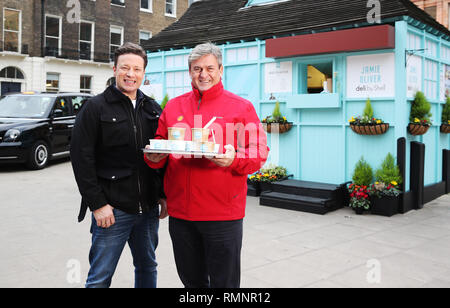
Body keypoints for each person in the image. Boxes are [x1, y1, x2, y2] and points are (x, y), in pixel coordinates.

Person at [144, 42, 269, 288]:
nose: (203, 74)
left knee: (224, 284)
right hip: (182, 214)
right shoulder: (174, 106)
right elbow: (159, 143)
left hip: (222, 215)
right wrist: (154, 156)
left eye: (210, 68)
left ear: (221, 70)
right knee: (192, 282)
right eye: (197, 68)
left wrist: (234, 159)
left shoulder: (241, 108)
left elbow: (259, 151)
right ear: (190, 71)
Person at [70, 42, 167, 288]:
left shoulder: (154, 109)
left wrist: (163, 195)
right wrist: (98, 204)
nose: (130, 74)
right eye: (125, 68)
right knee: (100, 277)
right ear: (114, 69)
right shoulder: (95, 108)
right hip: (112, 211)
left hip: (147, 210)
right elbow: (81, 159)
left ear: (143, 73)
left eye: (136, 69)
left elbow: (162, 158)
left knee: (147, 267)